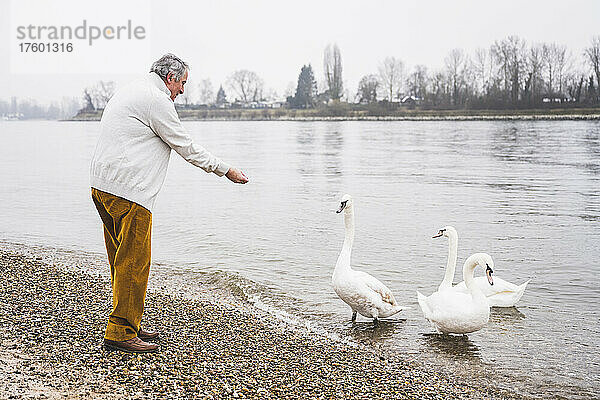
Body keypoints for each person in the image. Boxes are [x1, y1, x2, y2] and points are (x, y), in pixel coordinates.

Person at [90, 53, 248, 353]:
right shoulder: (156, 100)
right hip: (129, 193)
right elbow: (185, 146)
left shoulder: (131, 90)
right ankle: (121, 332)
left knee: (120, 262)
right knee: (134, 262)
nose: (182, 91)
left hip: (102, 187)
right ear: (170, 78)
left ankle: (128, 322)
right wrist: (225, 169)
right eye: (183, 84)